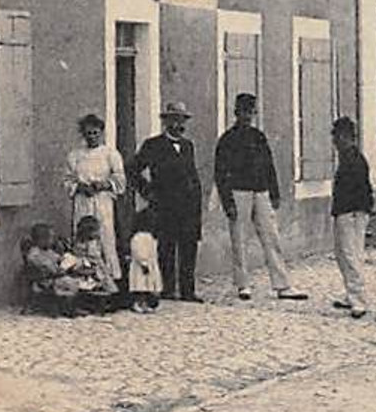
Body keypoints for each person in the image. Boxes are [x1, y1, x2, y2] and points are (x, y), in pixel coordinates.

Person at [215, 93, 306, 301]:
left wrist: (274, 192)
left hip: (261, 191)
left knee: (272, 237)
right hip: (238, 192)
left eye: (251, 112)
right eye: (244, 112)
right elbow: (220, 173)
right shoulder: (227, 140)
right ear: (236, 113)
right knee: (239, 239)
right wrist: (227, 201)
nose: (248, 116)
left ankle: (282, 285)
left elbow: (269, 165)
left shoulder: (259, 137)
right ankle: (243, 284)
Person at [129, 100, 205, 302]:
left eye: (182, 120)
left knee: (189, 247)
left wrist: (197, 198)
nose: (179, 125)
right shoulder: (153, 145)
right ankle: (168, 288)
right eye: (174, 120)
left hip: (188, 205)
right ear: (166, 122)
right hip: (165, 204)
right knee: (166, 247)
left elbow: (192, 173)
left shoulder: (188, 146)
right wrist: (148, 192)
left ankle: (188, 291)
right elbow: (133, 170)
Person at [64, 114, 126, 290]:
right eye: (88, 133)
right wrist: (80, 187)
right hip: (83, 201)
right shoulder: (75, 155)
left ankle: (110, 279)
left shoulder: (110, 154)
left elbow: (121, 180)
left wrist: (104, 184)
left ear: (101, 132)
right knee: (83, 237)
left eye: (95, 133)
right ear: (83, 134)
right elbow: (67, 180)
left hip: (103, 201)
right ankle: (85, 281)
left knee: (104, 236)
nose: (92, 136)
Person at [329, 117, 373, 318]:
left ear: (345, 137)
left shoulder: (353, 159)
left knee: (350, 255)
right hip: (347, 212)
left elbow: (360, 190)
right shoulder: (350, 157)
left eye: (336, 136)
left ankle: (358, 300)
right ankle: (351, 294)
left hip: (351, 212)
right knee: (343, 254)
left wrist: (356, 212)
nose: (334, 141)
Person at [21, 222, 79, 316]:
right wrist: (59, 270)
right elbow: (45, 267)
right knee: (70, 283)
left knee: (72, 280)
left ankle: (69, 306)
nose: (52, 241)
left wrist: (66, 259)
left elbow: (57, 258)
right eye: (51, 238)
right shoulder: (34, 254)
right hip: (44, 281)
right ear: (42, 240)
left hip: (53, 277)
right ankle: (66, 307)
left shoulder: (48, 251)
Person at [126, 203, 162, 313]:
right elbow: (138, 252)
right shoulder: (138, 237)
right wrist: (144, 263)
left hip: (150, 265)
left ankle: (146, 304)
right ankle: (138, 303)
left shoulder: (150, 236)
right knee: (140, 286)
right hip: (141, 266)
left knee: (148, 286)